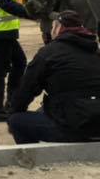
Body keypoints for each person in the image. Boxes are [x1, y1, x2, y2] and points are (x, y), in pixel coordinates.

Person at [9, 10, 100, 144]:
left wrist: (14, 111)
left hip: (74, 126)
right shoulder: (95, 51)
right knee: (44, 109)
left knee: (16, 121)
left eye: (52, 27)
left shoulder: (49, 53)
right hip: (96, 118)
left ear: (58, 28)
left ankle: (35, 160)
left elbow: (26, 90)